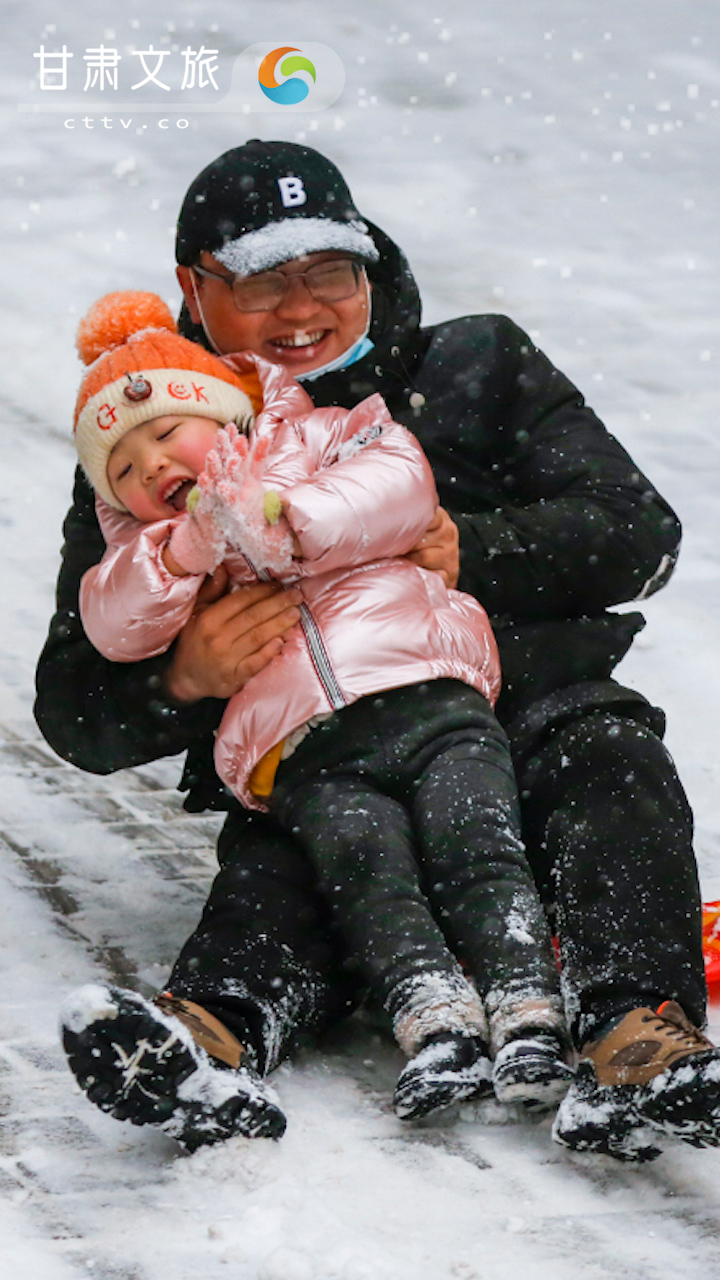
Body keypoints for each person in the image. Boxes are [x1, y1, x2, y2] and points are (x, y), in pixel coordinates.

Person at [36, 139, 719, 1164]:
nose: (303, 306)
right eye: (265, 280)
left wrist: (476, 547)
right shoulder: (151, 446)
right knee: (295, 851)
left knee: (612, 763)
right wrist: (187, 675)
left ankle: (641, 1039)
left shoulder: (476, 361)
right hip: (320, 746)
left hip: (532, 712)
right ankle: (207, 1035)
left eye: (330, 271)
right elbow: (72, 705)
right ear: (193, 286)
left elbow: (639, 530)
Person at [68, 288, 574, 1135]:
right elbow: (110, 622)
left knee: (476, 849)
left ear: (224, 410)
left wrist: (284, 515)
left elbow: (399, 482)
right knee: (370, 880)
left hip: (429, 699)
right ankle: (435, 1022)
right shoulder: (146, 546)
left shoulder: (323, 435)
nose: (151, 467)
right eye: (124, 468)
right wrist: (184, 551)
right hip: (306, 754)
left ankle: (528, 1015)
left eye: (165, 434)